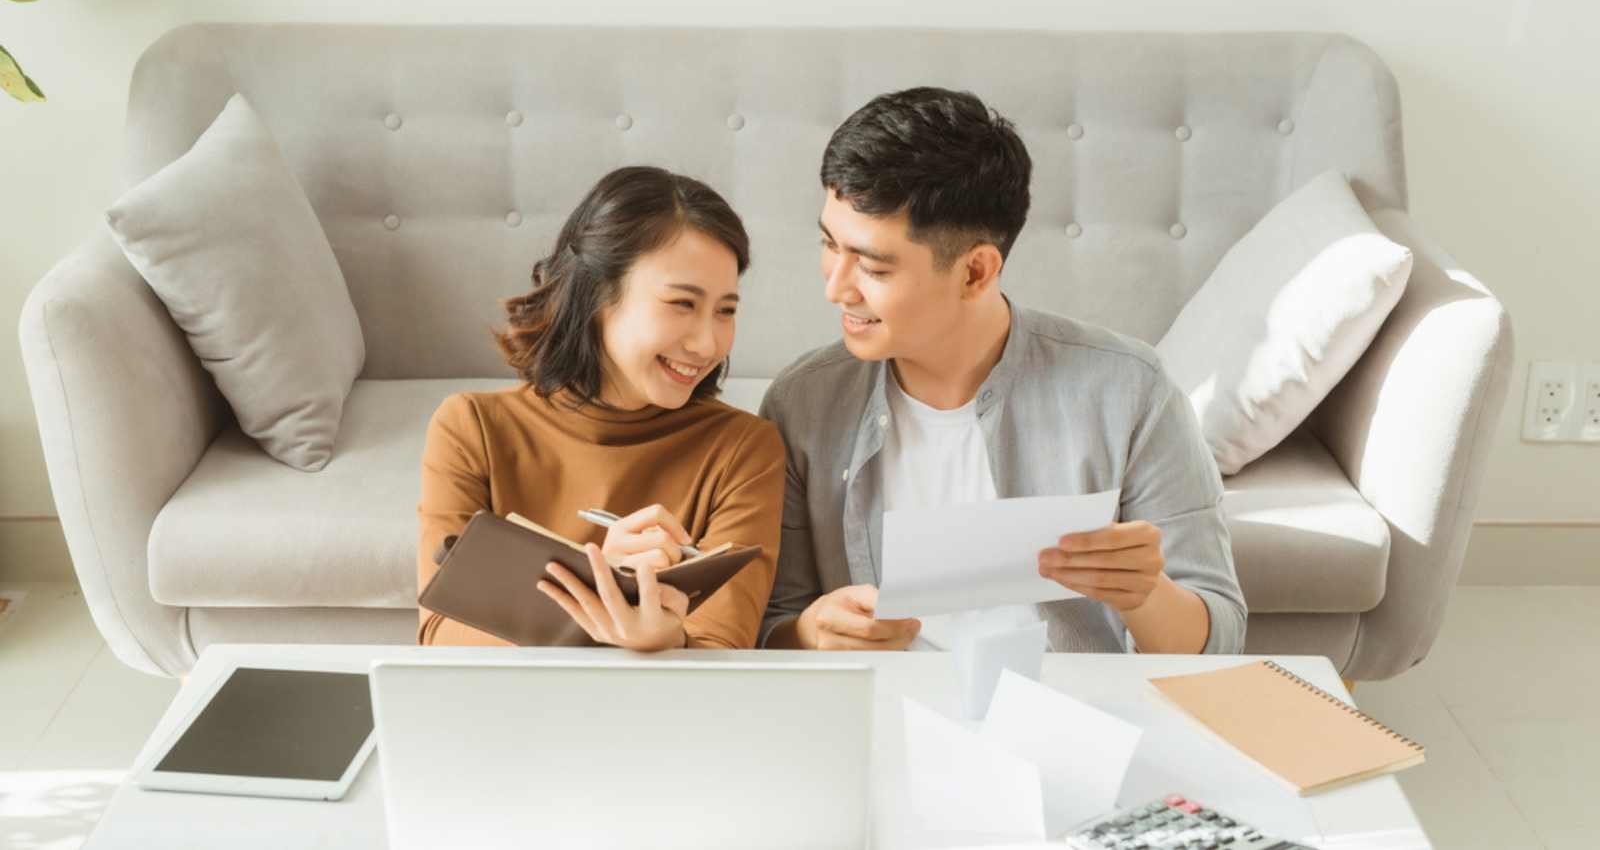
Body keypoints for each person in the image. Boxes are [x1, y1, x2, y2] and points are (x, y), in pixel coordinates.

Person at [759, 88, 1247, 654]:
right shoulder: (803, 404)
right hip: (877, 716)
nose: (835, 287)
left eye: (872, 267)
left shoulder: (1130, 391)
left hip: (1065, 723)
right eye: (828, 245)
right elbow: (772, 622)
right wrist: (806, 631)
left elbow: (1220, 640)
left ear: (975, 272)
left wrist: (1145, 595)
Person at [417, 166, 784, 651]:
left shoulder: (743, 449)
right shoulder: (473, 427)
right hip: (512, 716)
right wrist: (595, 594)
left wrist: (666, 642)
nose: (707, 342)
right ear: (596, 297)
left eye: (726, 310)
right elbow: (440, 635)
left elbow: (722, 648)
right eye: (681, 304)